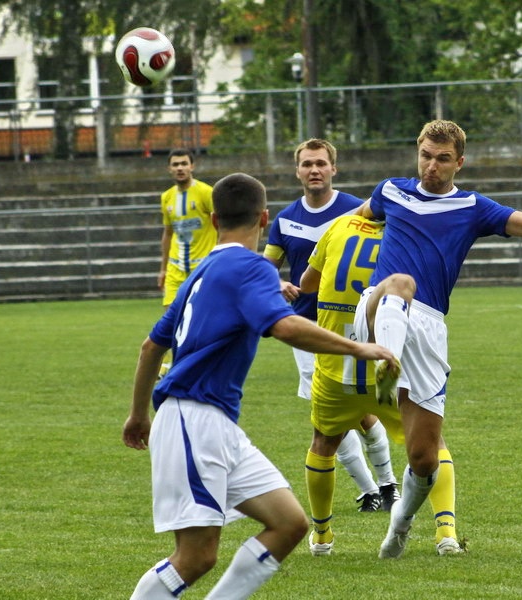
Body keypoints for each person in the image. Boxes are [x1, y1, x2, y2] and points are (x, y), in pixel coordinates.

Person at [122, 173, 396, 600]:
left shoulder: (202, 270)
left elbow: (150, 346)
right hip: (194, 417)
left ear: (213, 219)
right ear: (265, 218)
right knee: (195, 556)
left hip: (214, 423)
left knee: (289, 522)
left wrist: (139, 414)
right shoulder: (252, 266)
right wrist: (359, 348)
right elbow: (284, 326)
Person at [354, 119, 522, 559]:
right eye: (425, 155)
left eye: (442, 159)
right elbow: (355, 219)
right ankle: (385, 360)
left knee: (423, 458)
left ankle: (399, 525)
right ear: (416, 152)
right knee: (398, 284)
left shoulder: (474, 207)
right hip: (380, 304)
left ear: (459, 162)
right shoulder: (390, 191)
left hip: (429, 327)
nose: (431, 166)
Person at [299, 213, 464, 557]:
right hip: (393, 363)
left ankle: (322, 536)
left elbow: (308, 282)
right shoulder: (409, 242)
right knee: (432, 442)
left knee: (323, 443)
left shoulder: (337, 227)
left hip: (337, 366)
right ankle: (446, 532)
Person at [264, 138, 398, 513]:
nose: (314, 170)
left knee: (363, 410)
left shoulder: (357, 210)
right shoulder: (286, 218)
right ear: (298, 171)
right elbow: (265, 266)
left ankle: (386, 485)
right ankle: (374, 488)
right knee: (333, 417)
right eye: (307, 164)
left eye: (321, 163)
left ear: (333, 168)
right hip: (307, 329)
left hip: (357, 325)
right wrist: (276, 283)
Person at [157, 148, 217, 375]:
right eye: (175, 164)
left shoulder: (206, 193)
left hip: (202, 267)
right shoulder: (167, 197)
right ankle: (171, 363)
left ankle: (199, 360)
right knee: (170, 318)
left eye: (184, 163)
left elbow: (220, 225)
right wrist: (162, 269)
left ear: (192, 166)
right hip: (175, 267)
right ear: (169, 168)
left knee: (203, 317)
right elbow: (168, 233)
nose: (180, 168)